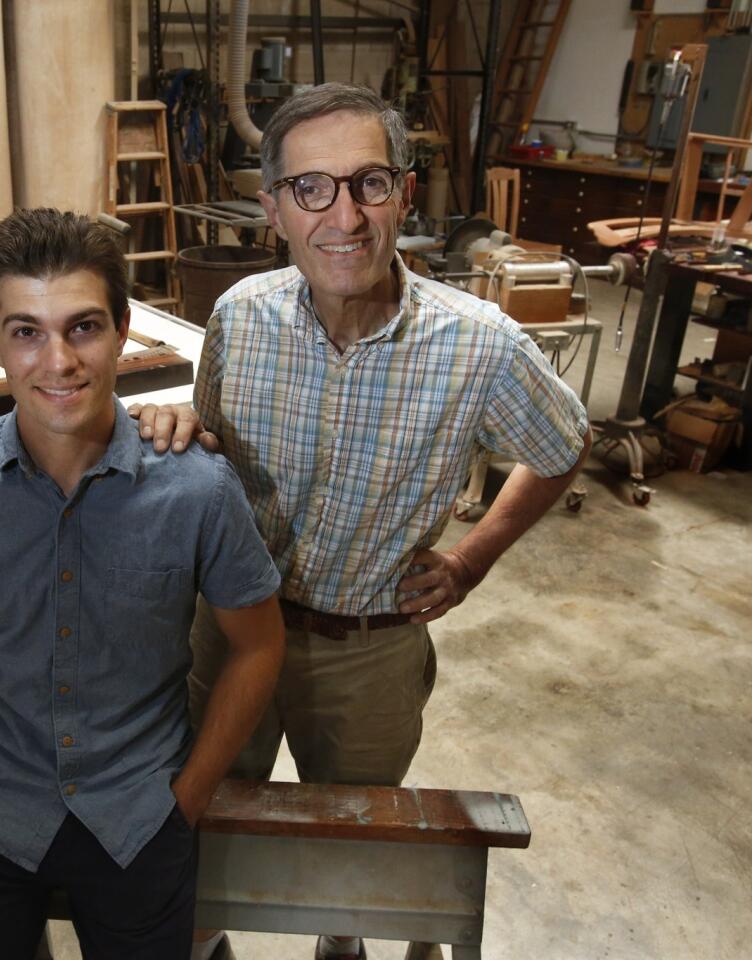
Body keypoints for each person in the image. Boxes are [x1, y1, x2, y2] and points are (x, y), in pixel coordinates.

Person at [132, 83, 592, 960]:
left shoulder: (481, 345)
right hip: (231, 632)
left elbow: (564, 442)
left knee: (352, 849)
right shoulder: (238, 318)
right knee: (201, 822)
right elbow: (217, 454)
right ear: (273, 209)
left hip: (371, 653)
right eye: (311, 188)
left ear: (404, 195)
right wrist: (187, 435)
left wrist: (474, 558)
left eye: (368, 183)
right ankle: (204, 941)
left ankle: (339, 948)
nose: (343, 215)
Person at [0, 207, 285, 960]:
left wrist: (188, 797)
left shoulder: (197, 490)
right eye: (27, 331)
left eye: (83, 327)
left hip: (141, 814)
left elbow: (258, 643)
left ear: (124, 328)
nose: (59, 361)